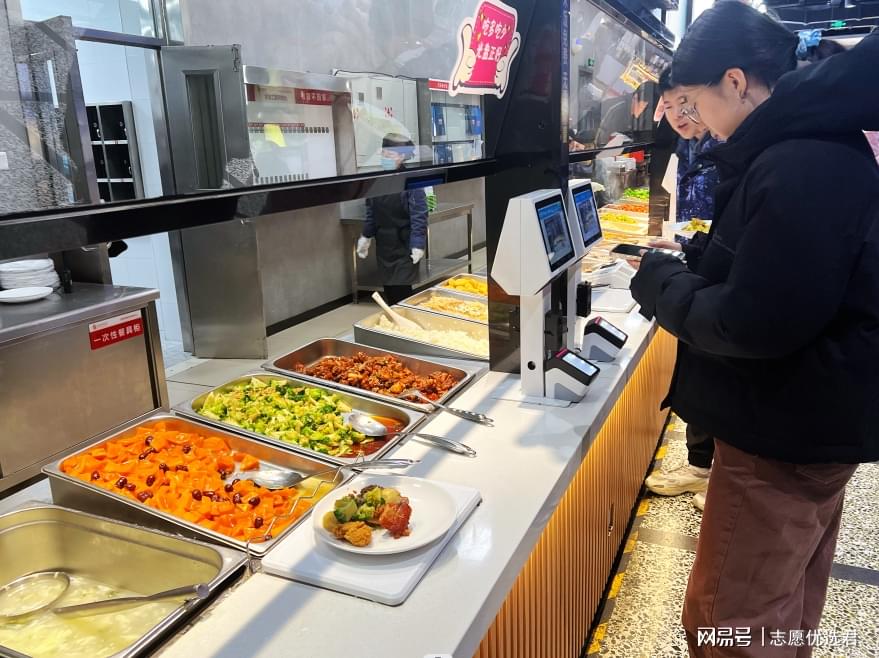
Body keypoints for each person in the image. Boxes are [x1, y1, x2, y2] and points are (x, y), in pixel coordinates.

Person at [629, 3, 879, 655]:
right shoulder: (810, 143)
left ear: (734, 82)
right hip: (811, 424)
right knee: (783, 602)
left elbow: (754, 325)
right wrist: (701, 264)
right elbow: (779, 275)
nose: (695, 122)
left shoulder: (801, 160)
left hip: (781, 435)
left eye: (693, 101)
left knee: (727, 622)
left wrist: (661, 286)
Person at [643, 67, 721, 511]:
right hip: (699, 259)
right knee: (697, 365)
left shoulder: (729, 146)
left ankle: (711, 470)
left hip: (717, 273)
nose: (679, 115)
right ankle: (701, 465)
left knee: (712, 367)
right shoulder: (689, 146)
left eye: (686, 103)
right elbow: (697, 214)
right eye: (670, 106)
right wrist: (683, 242)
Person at [356, 134, 428, 305]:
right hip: (385, 245)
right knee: (389, 288)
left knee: (402, 290)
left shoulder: (412, 180)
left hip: (404, 244)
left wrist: (417, 244)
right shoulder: (377, 180)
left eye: (390, 155)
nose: (385, 158)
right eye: (383, 154)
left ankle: (405, 322)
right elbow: (371, 211)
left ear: (402, 156)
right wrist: (365, 237)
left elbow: (419, 214)